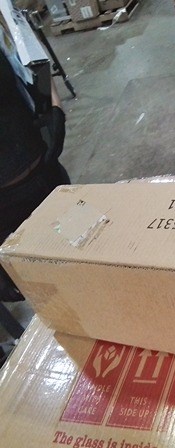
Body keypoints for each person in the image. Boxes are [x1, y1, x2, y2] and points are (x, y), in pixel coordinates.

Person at [0, 45, 70, 302]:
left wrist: (55, 108)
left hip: (47, 173)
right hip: (5, 211)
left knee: (82, 261)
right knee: (51, 298)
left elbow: (31, 58)